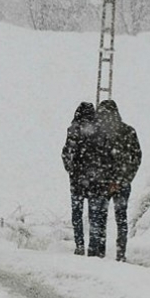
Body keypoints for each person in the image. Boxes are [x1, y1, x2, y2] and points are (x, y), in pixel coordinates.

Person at [96, 99, 142, 262]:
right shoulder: (128, 131)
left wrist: (105, 180)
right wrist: (126, 178)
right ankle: (120, 253)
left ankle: (100, 253)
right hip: (122, 182)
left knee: (101, 217)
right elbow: (136, 157)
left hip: (105, 183)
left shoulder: (101, 134)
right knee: (121, 218)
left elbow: (97, 160)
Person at [61, 102, 100, 256]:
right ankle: (93, 246)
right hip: (94, 179)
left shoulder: (73, 129)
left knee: (77, 212)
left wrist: (71, 170)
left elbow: (67, 153)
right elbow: (101, 155)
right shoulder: (98, 130)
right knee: (94, 213)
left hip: (77, 179)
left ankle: (79, 245)